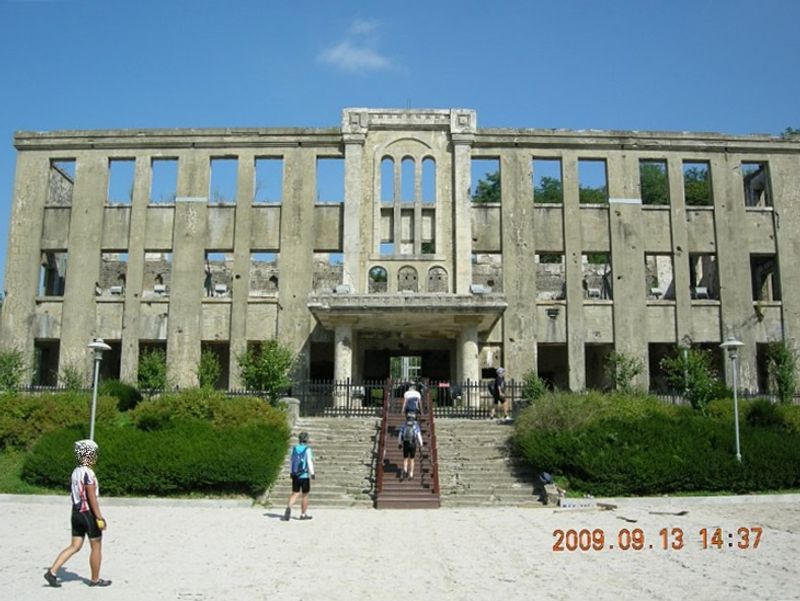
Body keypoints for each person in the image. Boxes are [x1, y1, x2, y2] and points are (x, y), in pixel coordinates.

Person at [44, 439, 111, 588]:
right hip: (87, 513)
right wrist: (99, 517)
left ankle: (53, 571)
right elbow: (91, 497)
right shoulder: (88, 473)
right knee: (96, 546)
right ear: (88, 455)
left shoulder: (75, 472)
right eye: (93, 454)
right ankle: (95, 579)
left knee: (75, 545)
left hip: (75, 513)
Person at [283, 431, 315, 521]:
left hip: (295, 475)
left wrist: (291, 472)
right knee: (305, 495)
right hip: (304, 475)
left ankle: (289, 507)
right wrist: (312, 473)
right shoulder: (307, 449)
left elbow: (292, 461)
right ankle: (303, 514)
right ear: (307, 439)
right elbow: (309, 461)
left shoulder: (294, 449)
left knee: (295, 493)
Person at [397, 413, 423, 480]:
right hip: (413, 444)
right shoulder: (416, 426)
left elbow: (400, 435)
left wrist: (399, 443)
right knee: (412, 459)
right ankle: (411, 474)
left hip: (406, 443)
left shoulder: (403, 425)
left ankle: (405, 470)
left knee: (405, 458)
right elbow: (419, 436)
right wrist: (421, 444)